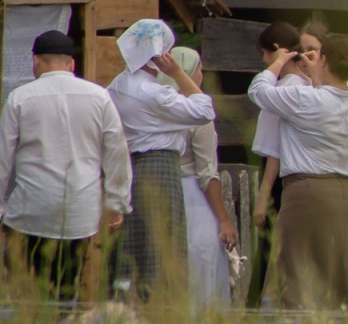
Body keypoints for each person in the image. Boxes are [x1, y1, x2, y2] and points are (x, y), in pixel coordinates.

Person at [0, 30, 131, 301]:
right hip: (79, 211)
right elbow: (117, 152)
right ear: (72, 64)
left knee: (23, 288)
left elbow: (3, 157)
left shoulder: (20, 98)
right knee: (65, 288)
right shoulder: (99, 97)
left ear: (36, 61)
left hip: (31, 209)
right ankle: (61, 321)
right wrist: (116, 201)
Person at [249, 33, 348, 309]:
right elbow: (338, 92)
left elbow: (258, 91)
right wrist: (318, 71)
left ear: (325, 60)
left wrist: (278, 62)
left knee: (295, 270)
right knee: (341, 271)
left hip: (308, 193)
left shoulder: (305, 99)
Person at [107, 19, 215, 300]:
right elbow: (204, 111)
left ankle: (129, 308)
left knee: (134, 245)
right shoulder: (154, 93)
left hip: (131, 167)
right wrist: (178, 73)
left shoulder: (116, 86)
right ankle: (159, 309)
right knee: (162, 245)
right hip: (160, 168)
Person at [157, 47, 237, 308]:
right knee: (199, 262)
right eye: (199, 68)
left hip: (160, 191)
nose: (202, 73)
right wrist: (224, 220)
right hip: (192, 198)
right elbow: (207, 173)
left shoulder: (156, 107)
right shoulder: (196, 111)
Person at [245, 21, 303, 308]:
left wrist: (262, 197)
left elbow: (274, 151)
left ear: (277, 50)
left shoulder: (283, 90)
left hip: (278, 176)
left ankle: (261, 307)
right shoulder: (308, 86)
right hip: (299, 176)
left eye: (265, 53)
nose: (263, 60)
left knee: (270, 250)